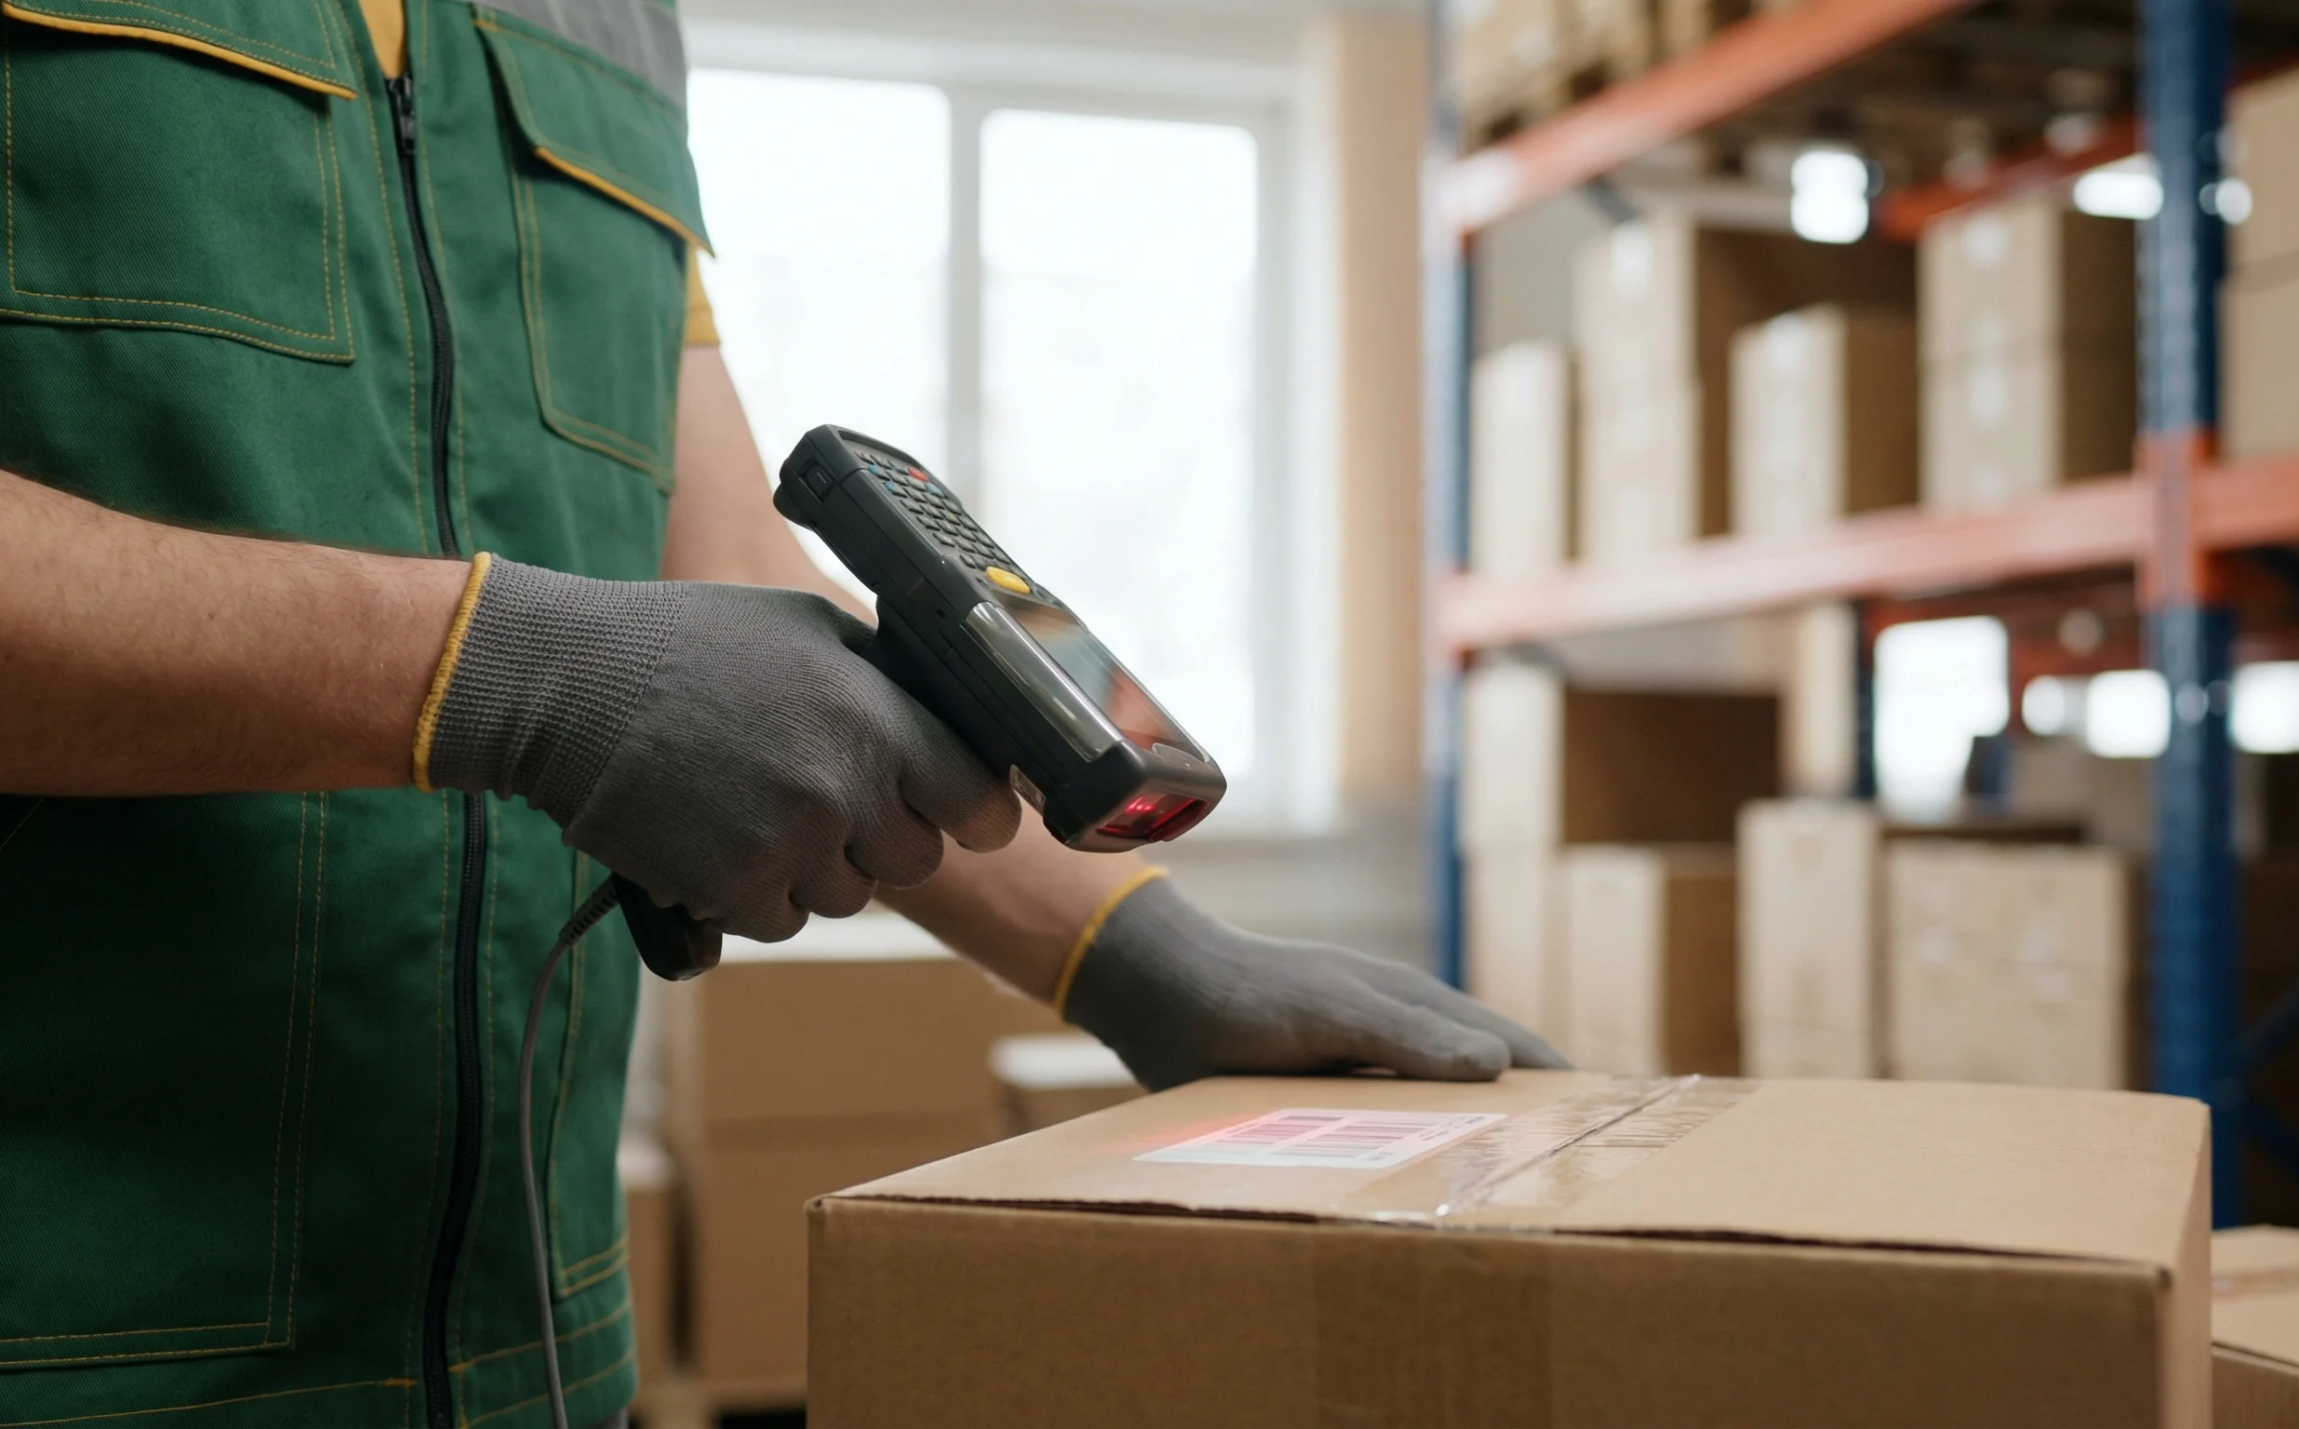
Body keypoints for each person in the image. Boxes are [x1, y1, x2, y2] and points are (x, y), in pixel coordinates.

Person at [0, 2, 1559, 1425]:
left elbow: (727, 549)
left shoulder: (603, 22)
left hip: (526, 1352)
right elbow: (590, 659)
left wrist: (1146, 959)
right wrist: (511, 678)